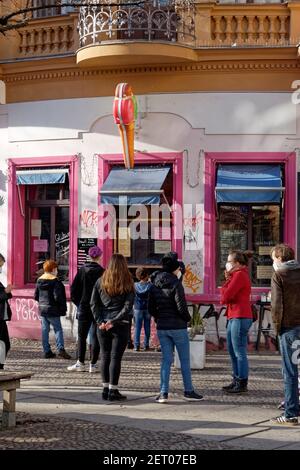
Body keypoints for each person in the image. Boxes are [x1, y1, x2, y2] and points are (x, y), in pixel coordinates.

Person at [149, 251, 204, 403]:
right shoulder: (176, 284)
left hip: (162, 327)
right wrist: (188, 319)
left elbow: (151, 308)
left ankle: (163, 393)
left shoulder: (154, 284)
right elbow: (182, 307)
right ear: (175, 268)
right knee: (184, 360)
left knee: (166, 360)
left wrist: (159, 317)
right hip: (178, 326)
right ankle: (188, 390)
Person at [90, 254, 135, 401]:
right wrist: (114, 321)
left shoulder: (101, 281)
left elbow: (93, 304)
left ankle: (105, 389)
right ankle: (113, 390)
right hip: (119, 325)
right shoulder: (128, 282)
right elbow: (128, 307)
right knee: (115, 357)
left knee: (105, 356)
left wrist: (100, 321)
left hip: (103, 325)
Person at [269, 244, 300, 426]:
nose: (273, 262)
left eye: (274, 258)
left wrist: (277, 329)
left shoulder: (279, 275)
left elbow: (276, 306)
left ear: (280, 258)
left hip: (289, 328)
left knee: (290, 371)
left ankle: (290, 413)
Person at [221, 250, 253, 394]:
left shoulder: (240, 275)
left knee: (239, 350)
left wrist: (227, 282)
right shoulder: (235, 275)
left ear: (238, 264)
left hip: (240, 316)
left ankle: (242, 382)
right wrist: (228, 279)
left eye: (230, 261)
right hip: (233, 316)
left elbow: (226, 296)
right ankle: (236, 379)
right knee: (232, 351)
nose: (227, 264)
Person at [68, 246, 104, 373]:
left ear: (89, 256)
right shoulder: (103, 272)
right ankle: (93, 364)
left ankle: (80, 362)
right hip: (98, 308)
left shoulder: (82, 270)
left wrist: (79, 303)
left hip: (83, 307)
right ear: (100, 256)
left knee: (82, 336)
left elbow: (73, 290)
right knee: (96, 336)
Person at [34, 260, 71, 359]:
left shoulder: (39, 280)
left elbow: (36, 296)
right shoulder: (55, 281)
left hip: (42, 309)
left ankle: (47, 351)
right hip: (53, 309)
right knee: (58, 329)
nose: (57, 271)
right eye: (56, 269)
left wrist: (42, 304)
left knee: (45, 330)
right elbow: (58, 297)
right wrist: (62, 308)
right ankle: (61, 349)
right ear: (53, 269)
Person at [133, 267, 152, 352]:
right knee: (147, 326)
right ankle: (146, 345)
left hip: (137, 308)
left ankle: (136, 346)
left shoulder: (135, 285)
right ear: (146, 275)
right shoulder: (150, 285)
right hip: (147, 307)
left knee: (137, 327)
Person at [0, 253, 12, 370]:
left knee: (5, 343)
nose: (1, 269)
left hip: (1, 318)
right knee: (3, 343)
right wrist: (5, 292)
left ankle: (0, 366)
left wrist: (7, 292)